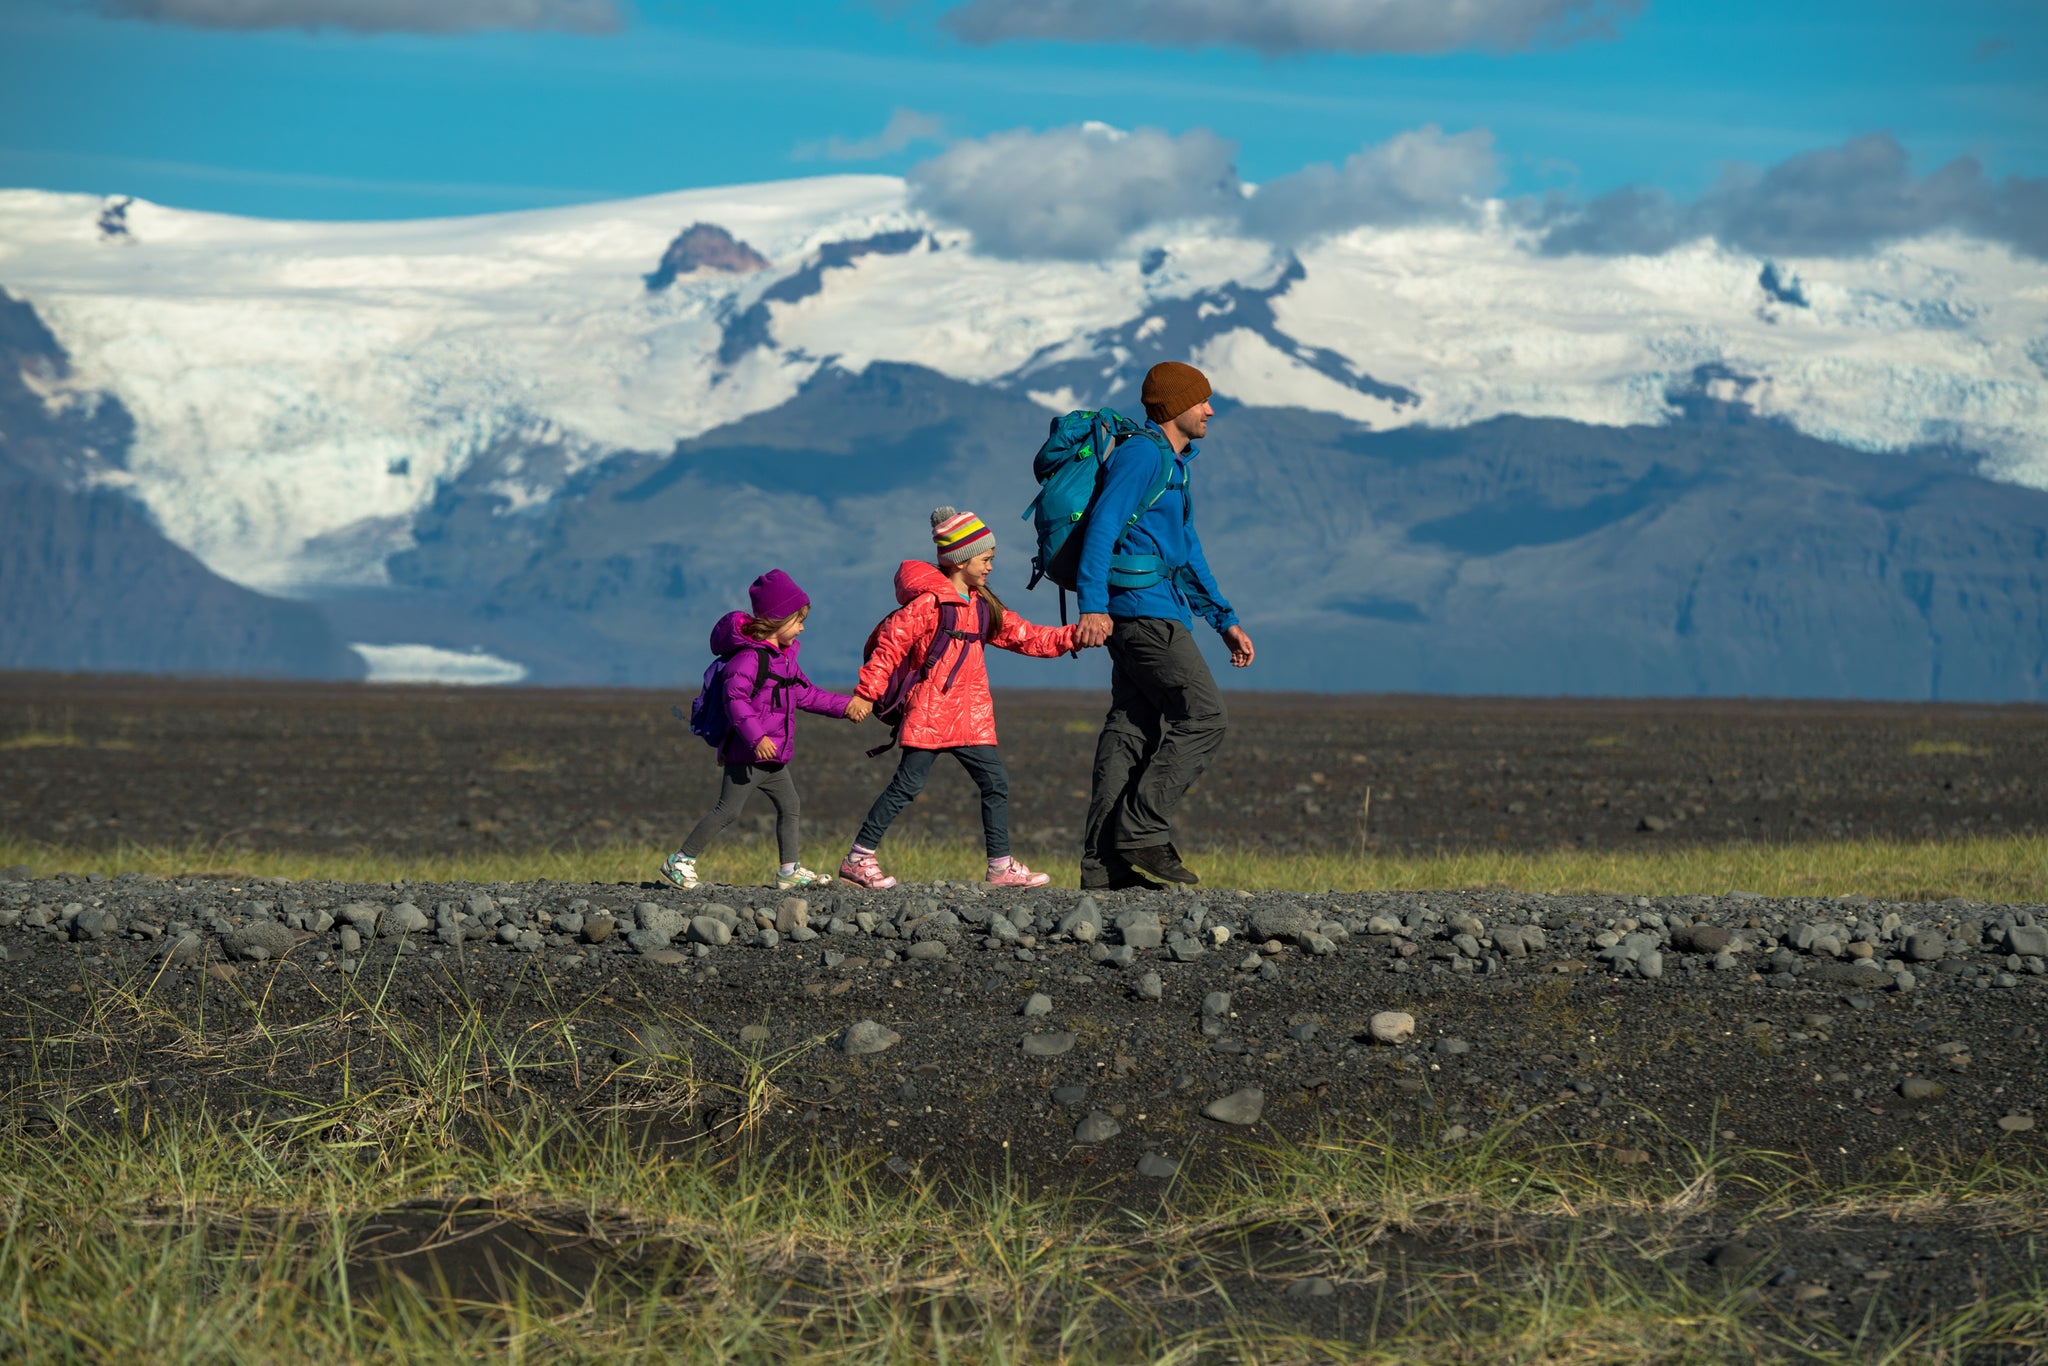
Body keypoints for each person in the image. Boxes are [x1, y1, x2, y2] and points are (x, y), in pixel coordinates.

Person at [838, 508, 1092, 890]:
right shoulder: (929, 605)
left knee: (995, 782)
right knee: (907, 786)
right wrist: (866, 693)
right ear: (960, 560)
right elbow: (891, 645)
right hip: (930, 713)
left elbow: (1027, 636)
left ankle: (1000, 867)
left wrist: (1073, 636)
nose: (991, 566)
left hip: (970, 717)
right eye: (986, 559)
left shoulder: (983, 605)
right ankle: (858, 859)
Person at [1076, 361, 1254, 889]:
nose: (1210, 410)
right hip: (1143, 613)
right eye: (1202, 401)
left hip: (1158, 607)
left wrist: (1223, 619)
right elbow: (1104, 525)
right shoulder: (1141, 455)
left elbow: (1188, 550)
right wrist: (1091, 604)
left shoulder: (1173, 464)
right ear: (1175, 405)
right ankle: (1142, 832)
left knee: (1130, 729)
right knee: (1205, 717)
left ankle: (1102, 865)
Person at [661, 569, 872, 892]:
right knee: (727, 811)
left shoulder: (783, 661)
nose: (802, 628)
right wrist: (756, 738)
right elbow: (735, 699)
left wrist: (847, 707)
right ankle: (680, 861)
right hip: (748, 753)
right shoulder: (747, 659)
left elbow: (806, 694)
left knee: (790, 805)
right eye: (798, 620)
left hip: (772, 755)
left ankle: (789, 870)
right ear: (779, 620)